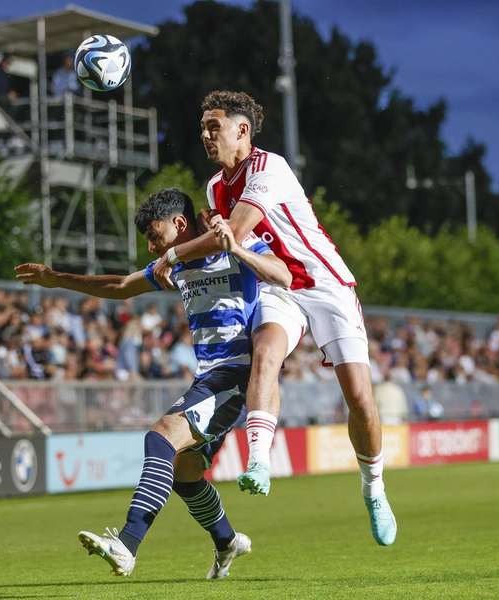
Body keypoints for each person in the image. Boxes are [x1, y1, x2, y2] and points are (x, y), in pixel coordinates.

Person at [149, 90, 396, 545]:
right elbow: (233, 248)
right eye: (202, 127)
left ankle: (373, 487)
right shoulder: (213, 187)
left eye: (214, 127)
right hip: (277, 283)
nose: (205, 136)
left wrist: (174, 254)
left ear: (242, 130)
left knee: (360, 397)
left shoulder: (269, 168)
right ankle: (259, 458)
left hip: (324, 283)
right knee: (265, 350)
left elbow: (236, 233)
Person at [15, 188, 294, 578]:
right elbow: (119, 287)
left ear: (180, 224)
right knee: (185, 474)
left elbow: (284, 274)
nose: (150, 246)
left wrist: (238, 250)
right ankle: (227, 540)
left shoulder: (231, 239)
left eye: (154, 234)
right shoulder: (173, 266)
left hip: (235, 373)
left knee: (160, 437)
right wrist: (57, 279)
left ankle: (126, 545)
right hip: (209, 375)